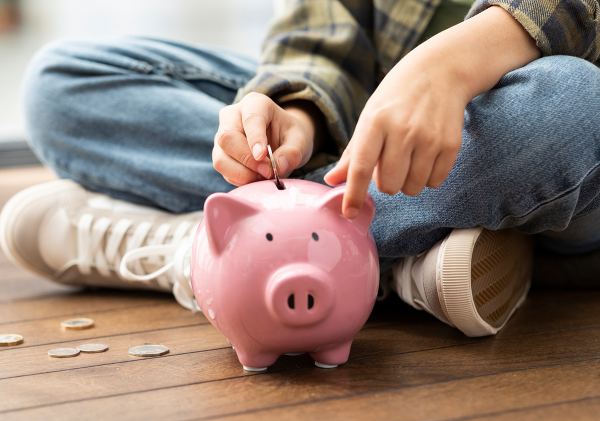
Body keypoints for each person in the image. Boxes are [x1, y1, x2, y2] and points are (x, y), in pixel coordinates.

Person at [2, 0, 600, 337]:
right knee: (61, 82)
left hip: (545, 166)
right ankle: (389, 264)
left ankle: (223, 250)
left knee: (577, 104)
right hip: (363, 156)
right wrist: (295, 112)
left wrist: (454, 63)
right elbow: (320, 31)